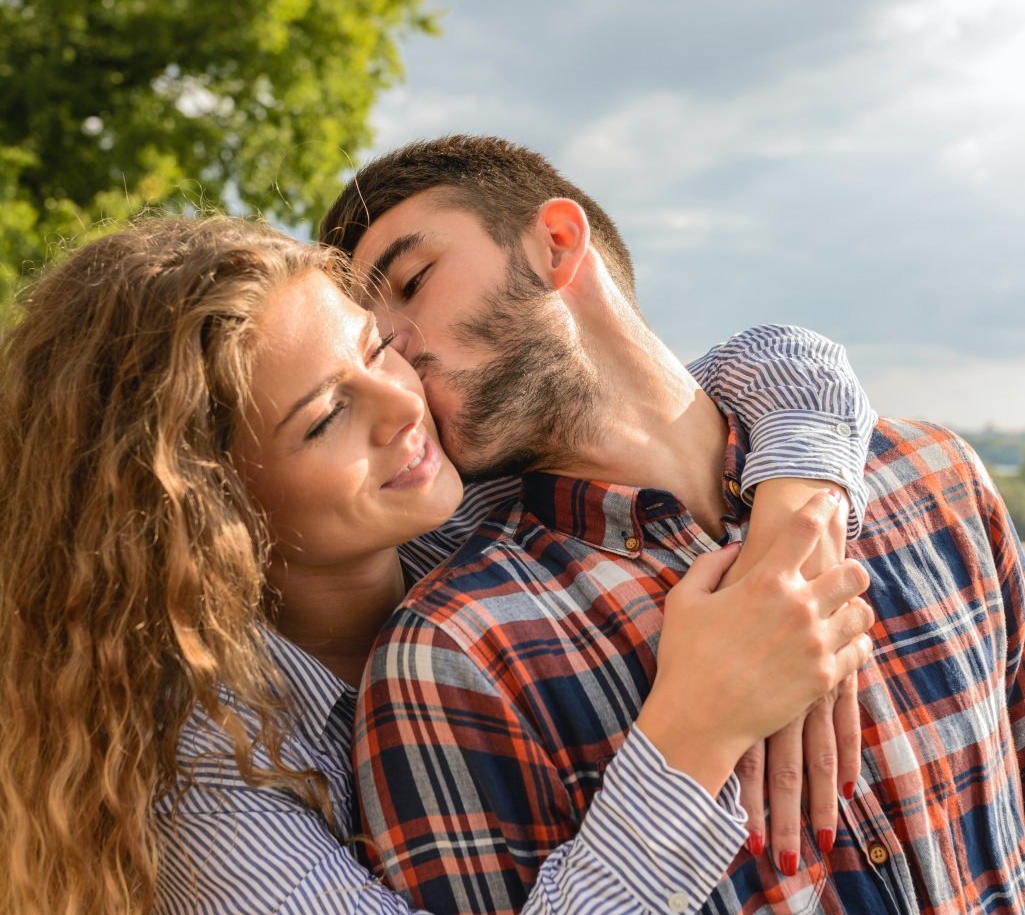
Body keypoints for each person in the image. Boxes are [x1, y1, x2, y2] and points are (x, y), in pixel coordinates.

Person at [0, 217, 873, 915]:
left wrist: (793, 535)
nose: (403, 403)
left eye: (375, 351)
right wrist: (694, 731)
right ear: (203, 513)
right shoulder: (205, 788)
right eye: (323, 417)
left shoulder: (463, 509)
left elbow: (770, 365)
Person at [321, 135, 1025, 915]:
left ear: (556, 243)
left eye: (413, 281)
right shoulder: (450, 654)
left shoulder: (935, 477)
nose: (394, 353)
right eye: (371, 343)